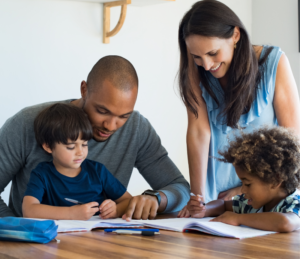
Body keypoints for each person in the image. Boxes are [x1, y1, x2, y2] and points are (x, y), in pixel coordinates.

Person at [0, 55, 190, 219]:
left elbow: (180, 188)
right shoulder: (27, 124)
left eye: (124, 116)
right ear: (84, 90)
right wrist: (16, 232)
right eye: (102, 111)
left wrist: (156, 199)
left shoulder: (137, 128)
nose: (111, 126)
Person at [177, 0, 300, 217]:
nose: (206, 65)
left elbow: (292, 139)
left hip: (268, 196)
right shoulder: (196, 73)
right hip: (216, 199)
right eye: (197, 56)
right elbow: (198, 133)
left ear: (235, 35)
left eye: (213, 53)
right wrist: (197, 198)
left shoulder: (274, 62)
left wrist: (244, 189)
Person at [23, 103, 132, 220]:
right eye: (71, 147)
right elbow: (29, 210)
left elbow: (129, 200)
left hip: (97, 235)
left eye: (84, 144)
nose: (80, 152)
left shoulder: (97, 171)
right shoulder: (42, 174)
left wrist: (116, 209)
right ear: (48, 146)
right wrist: (71, 213)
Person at [187, 127, 300, 233]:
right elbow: (223, 205)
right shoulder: (250, 203)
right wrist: (205, 209)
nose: (243, 190)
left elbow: (284, 223)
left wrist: (238, 218)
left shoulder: (294, 203)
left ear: (275, 181)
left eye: (248, 184)